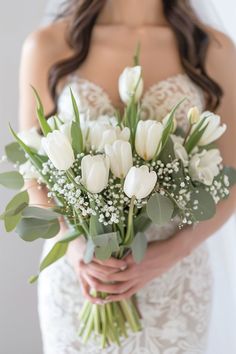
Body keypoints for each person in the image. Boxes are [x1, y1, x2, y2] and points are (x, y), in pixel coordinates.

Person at [19, 0, 236, 353]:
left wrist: (173, 251)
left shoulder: (213, 49)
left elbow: (230, 179)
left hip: (174, 280)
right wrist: (73, 248)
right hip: (83, 277)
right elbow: (33, 175)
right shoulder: (47, 45)